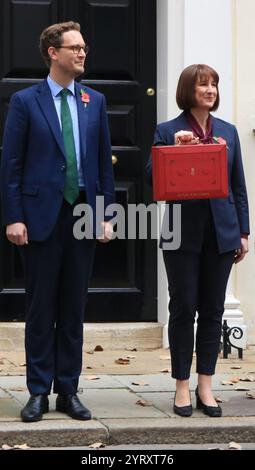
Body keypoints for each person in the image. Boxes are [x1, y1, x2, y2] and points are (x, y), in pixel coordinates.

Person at [0, 21, 115, 422]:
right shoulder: (25, 102)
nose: (83, 53)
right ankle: (37, 392)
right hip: (40, 218)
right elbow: (11, 164)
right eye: (75, 48)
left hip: (83, 214)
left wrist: (107, 215)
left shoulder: (94, 101)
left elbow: (103, 164)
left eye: (84, 47)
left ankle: (68, 390)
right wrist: (13, 216)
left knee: (72, 307)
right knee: (40, 306)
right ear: (53, 52)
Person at [146, 64, 249, 417]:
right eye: (203, 84)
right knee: (183, 307)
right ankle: (181, 387)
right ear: (188, 89)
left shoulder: (228, 132)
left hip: (221, 234)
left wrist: (244, 232)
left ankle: (206, 386)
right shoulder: (167, 130)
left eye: (214, 85)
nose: (210, 90)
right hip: (180, 233)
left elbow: (238, 188)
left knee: (213, 309)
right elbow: (152, 180)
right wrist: (173, 149)